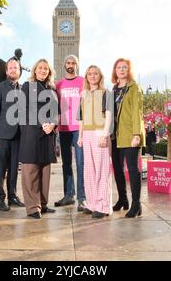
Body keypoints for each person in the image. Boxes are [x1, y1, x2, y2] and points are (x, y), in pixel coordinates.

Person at [19, 59, 58, 219]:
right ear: (35, 70)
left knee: (45, 171)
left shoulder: (52, 89)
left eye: (46, 69)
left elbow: (57, 111)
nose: (43, 71)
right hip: (32, 133)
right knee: (31, 171)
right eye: (40, 68)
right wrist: (44, 123)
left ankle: (43, 203)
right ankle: (33, 207)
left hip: (48, 135)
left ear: (49, 72)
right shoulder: (28, 87)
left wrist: (53, 125)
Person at [111, 58, 146, 218]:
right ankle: (123, 199)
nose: (122, 70)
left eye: (125, 67)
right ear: (115, 70)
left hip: (131, 134)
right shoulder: (113, 89)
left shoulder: (134, 88)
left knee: (132, 170)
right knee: (117, 169)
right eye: (119, 67)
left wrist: (136, 134)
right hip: (115, 135)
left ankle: (136, 204)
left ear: (129, 70)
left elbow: (137, 113)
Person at [77, 65, 113, 219]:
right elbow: (81, 118)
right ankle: (91, 203)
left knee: (101, 170)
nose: (92, 76)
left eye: (95, 73)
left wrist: (105, 134)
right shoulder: (83, 94)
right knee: (89, 170)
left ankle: (103, 206)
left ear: (100, 76)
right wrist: (80, 136)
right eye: (90, 74)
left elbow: (109, 114)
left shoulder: (106, 93)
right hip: (87, 133)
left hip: (100, 132)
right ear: (86, 77)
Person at [0, 57, 25, 211]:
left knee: (13, 169)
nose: (12, 70)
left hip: (18, 136)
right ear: (6, 71)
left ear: (19, 71)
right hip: (2, 136)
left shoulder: (23, 89)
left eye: (15, 67)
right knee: (0, 169)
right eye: (10, 67)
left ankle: (12, 196)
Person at [54, 54, 86, 211]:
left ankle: (82, 198)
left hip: (79, 129)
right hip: (64, 128)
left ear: (77, 65)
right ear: (64, 65)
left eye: (73, 63)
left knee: (81, 163)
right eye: (68, 62)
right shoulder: (58, 84)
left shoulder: (83, 82)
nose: (70, 65)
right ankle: (69, 195)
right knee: (66, 163)